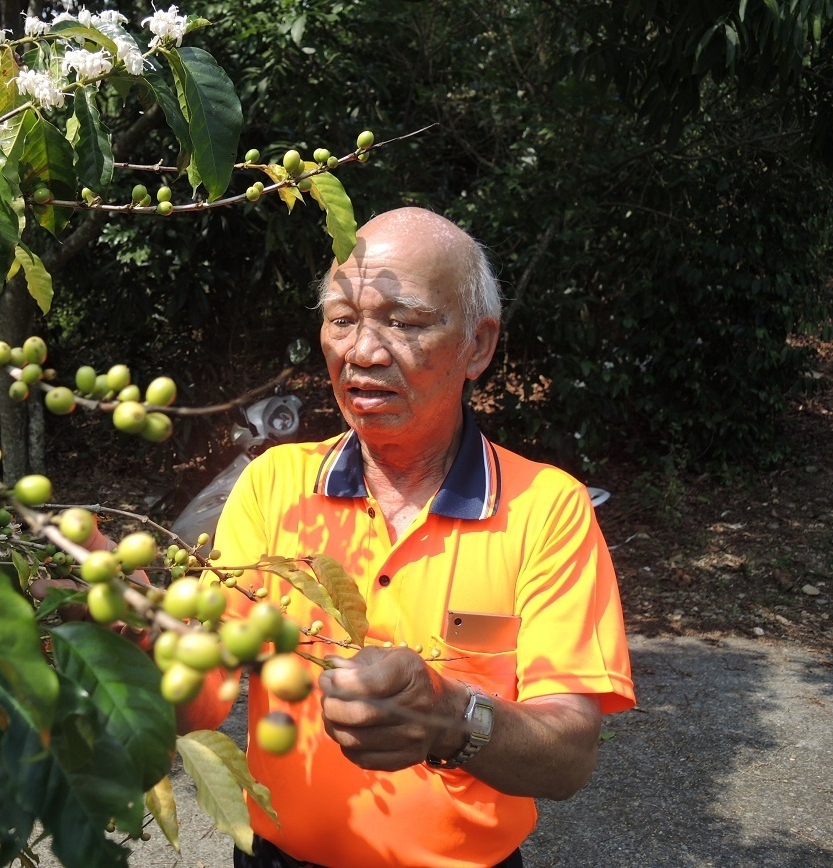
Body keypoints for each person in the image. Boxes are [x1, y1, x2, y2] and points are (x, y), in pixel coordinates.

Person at [178, 207, 635, 868]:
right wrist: (133, 643)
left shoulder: (545, 509)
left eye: (406, 321)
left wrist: (452, 719)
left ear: (478, 345)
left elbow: (568, 754)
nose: (362, 350)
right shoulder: (273, 486)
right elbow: (196, 699)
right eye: (342, 320)